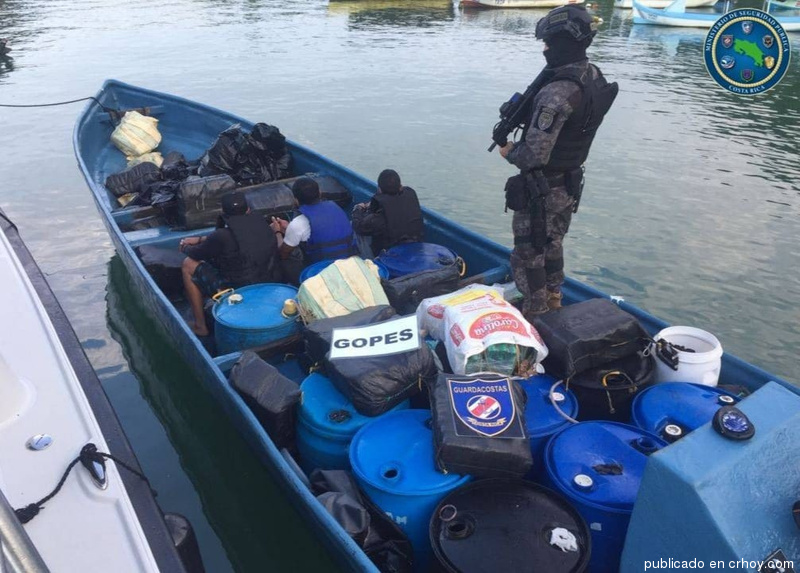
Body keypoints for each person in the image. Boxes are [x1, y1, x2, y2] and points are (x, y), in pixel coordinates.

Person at [497, 5, 617, 319]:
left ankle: (536, 315)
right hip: (570, 183)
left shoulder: (556, 93)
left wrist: (509, 151)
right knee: (553, 245)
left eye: (549, 42)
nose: (545, 49)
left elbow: (534, 155)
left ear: (564, 42)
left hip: (542, 190)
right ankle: (554, 300)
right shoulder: (592, 75)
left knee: (529, 253)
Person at [180, 191, 280, 336]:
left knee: (188, 264)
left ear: (224, 213)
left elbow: (195, 254)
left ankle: (200, 326)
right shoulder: (262, 222)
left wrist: (185, 247)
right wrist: (201, 239)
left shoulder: (221, 236)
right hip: (268, 282)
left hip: (237, 290)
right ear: (248, 210)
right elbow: (233, 236)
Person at [269, 177, 356, 283]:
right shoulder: (336, 207)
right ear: (319, 193)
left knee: (282, 260)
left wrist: (277, 232)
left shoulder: (298, 224)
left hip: (321, 272)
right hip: (348, 265)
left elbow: (283, 254)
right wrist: (289, 228)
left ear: (296, 200)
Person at [351, 169, 425, 256]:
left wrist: (358, 209)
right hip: (414, 249)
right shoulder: (411, 194)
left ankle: (366, 260)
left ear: (379, 189)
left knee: (354, 226)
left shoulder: (380, 218)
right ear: (400, 186)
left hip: (390, 255)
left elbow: (359, 226)